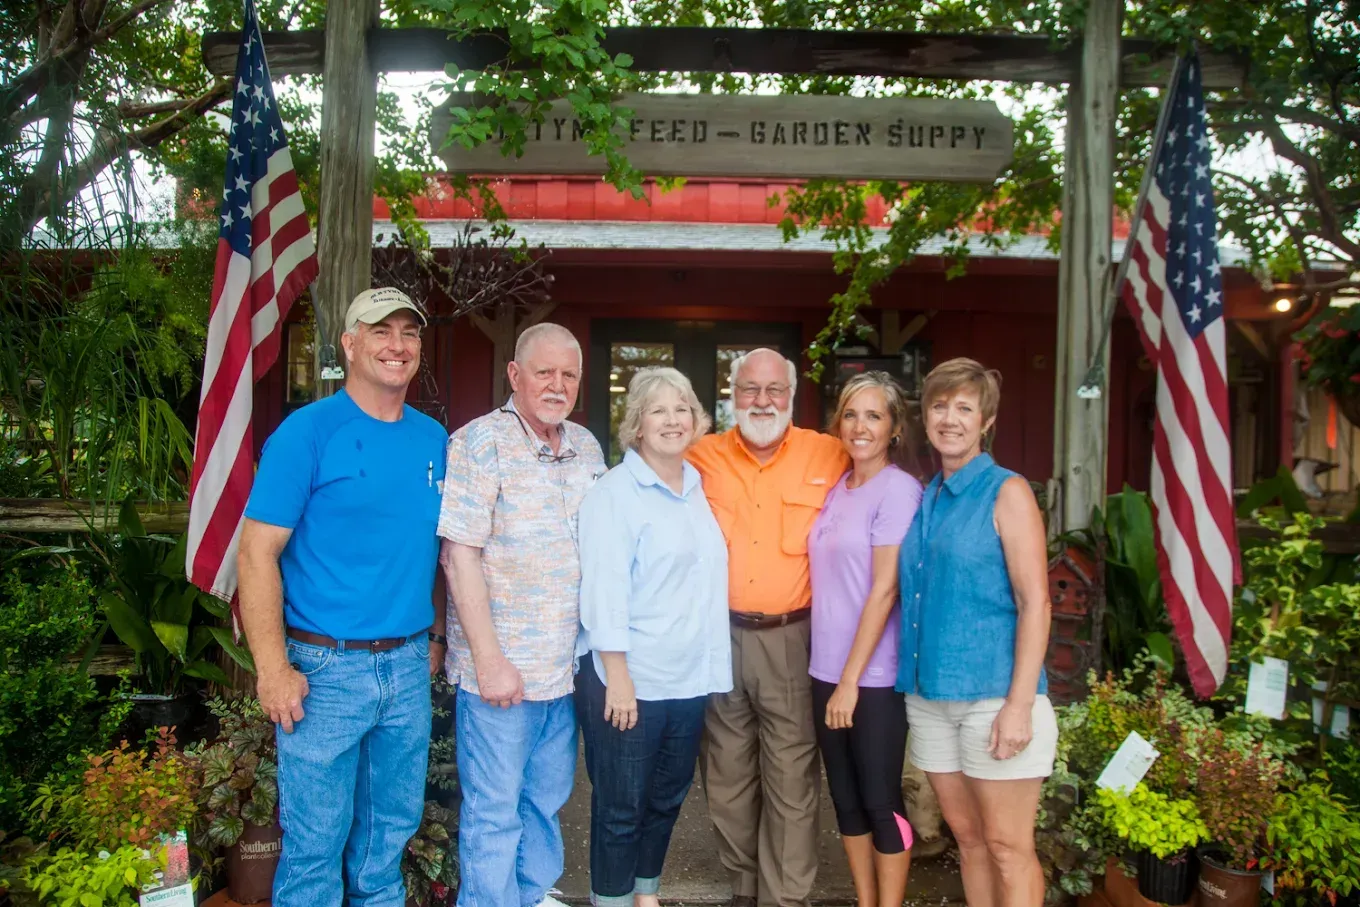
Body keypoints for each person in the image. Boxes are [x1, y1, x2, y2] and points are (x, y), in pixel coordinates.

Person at [236, 287, 448, 906]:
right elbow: (256, 553)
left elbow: (439, 548)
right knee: (313, 848)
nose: (397, 345)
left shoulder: (434, 439)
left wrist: (434, 636)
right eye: (380, 331)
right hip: (324, 670)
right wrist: (272, 669)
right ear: (349, 344)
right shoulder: (306, 433)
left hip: (407, 666)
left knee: (387, 844)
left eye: (409, 332)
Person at [438, 322, 606, 907]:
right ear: (515, 375)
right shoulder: (478, 442)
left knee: (545, 800)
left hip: (565, 669)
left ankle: (531, 895)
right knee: (494, 810)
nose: (557, 386)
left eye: (568, 375)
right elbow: (459, 555)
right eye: (544, 373)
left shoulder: (586, 446)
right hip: (501, 674)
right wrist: (489, 660)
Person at [687, 348, 849, 907]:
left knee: (792, 783)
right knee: (727, 781)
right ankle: (745, 888)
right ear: (732, 395)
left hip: (791, 639)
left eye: (774, 389)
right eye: (750, 389)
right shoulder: (698, 454)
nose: (762, 400)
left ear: (793, 395)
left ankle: (786, 900)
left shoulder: (831, 454)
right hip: (717, 639)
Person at [896, 358, 1056, 907]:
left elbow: (1036, 602)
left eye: (964, 407)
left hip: (993, 697)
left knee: (1008, 846)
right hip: (930, 697)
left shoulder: (1006, 491)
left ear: (986, 420)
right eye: (939, 406)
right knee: (969, 841)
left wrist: (1019, 705)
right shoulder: (929, 497)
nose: (949, 418)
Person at [576, 366, 732, 907]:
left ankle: (647, 894)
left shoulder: (696, 487)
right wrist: (618, 676)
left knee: (667, 798)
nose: (672, 419)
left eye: (682, 408)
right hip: (629, 680)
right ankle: (612, 900)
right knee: (621, 807)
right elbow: (603, 590)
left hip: (686, 678)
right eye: (657, 410)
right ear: (636, 425)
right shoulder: (615, 493)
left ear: (696, 419)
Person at [808, 371, 924, 907]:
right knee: (846, 800)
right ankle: (864, 900)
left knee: (881, 801)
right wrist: (834, 678)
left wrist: (851, 681)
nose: (860, 426)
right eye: (852, 414)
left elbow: (884, 590)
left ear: (894, 428)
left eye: (874, 415)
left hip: (871, 678)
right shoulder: (838, 488)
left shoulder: (898, 490)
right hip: (824, 671)